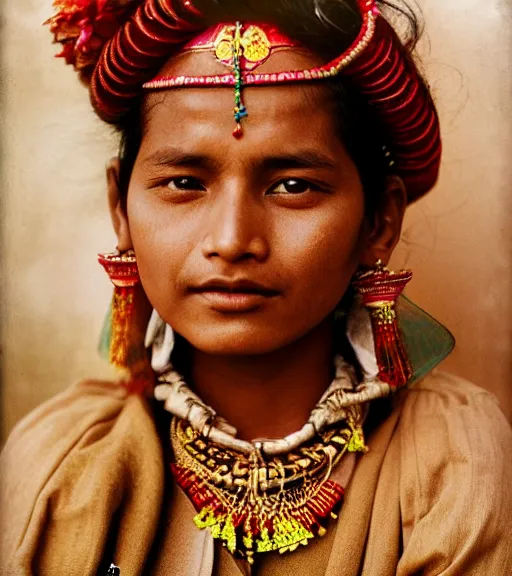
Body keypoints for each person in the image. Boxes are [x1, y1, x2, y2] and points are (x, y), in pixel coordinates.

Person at [1, 0, 511, 574]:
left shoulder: (455, 459)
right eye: (184, 182)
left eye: (293, 185)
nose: (232, 239)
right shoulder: (57, 460)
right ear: (121, 208)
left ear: (379, 222)